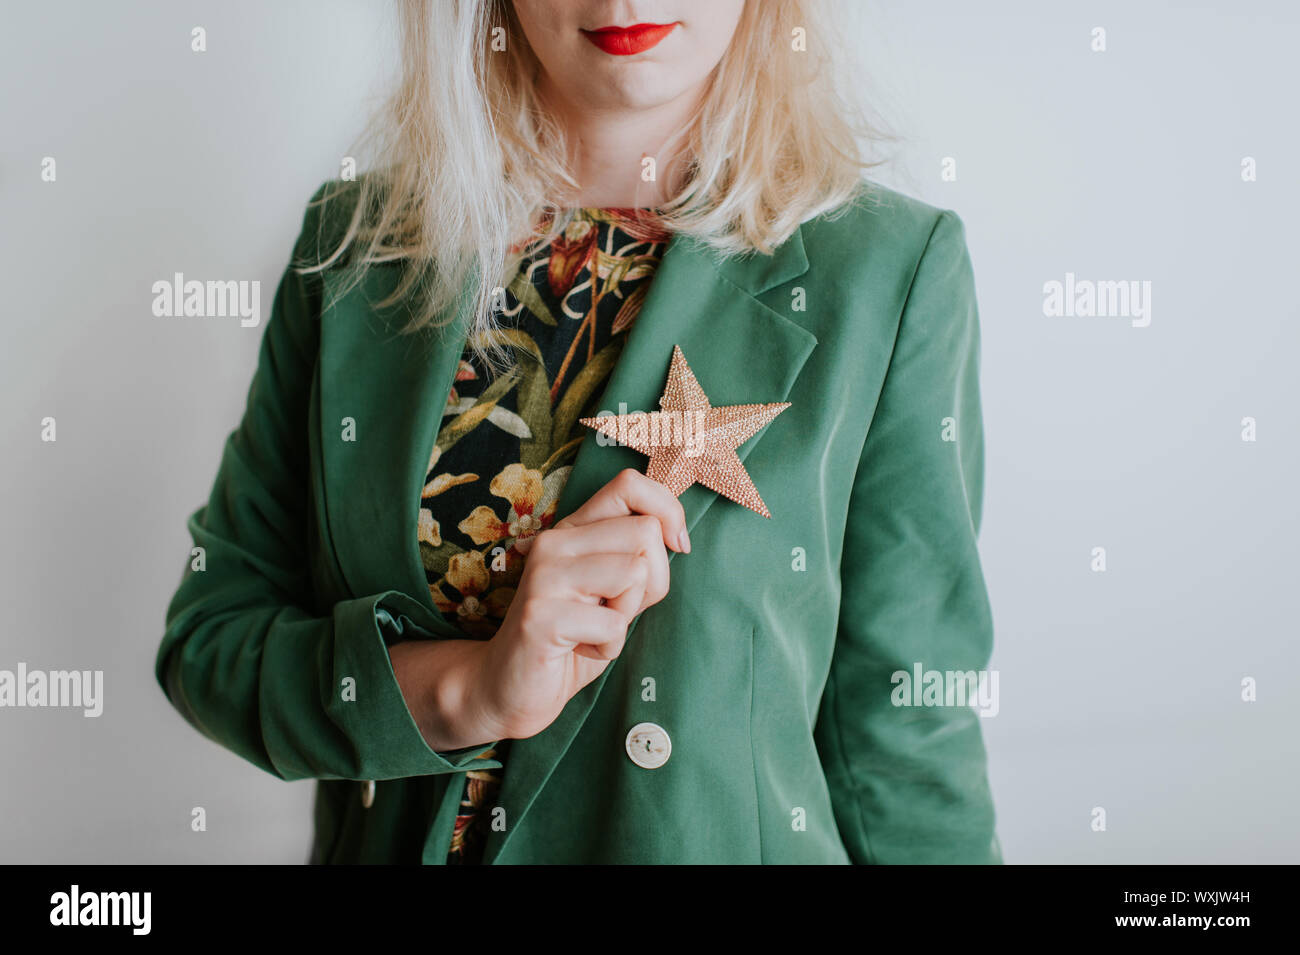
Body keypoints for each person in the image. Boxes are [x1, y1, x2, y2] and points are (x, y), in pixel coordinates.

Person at [156, 0, 1002, 864]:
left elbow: (905, 732)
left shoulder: (889, 273)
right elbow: (213, 641)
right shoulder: (355, 249)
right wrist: (468, 693)